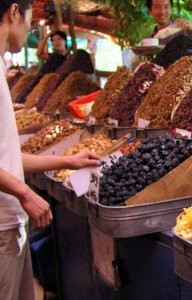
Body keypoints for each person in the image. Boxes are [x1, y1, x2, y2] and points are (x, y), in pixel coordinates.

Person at [0, 1, 100, 299]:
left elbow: (8, 158)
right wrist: (25, 192)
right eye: (30, 19)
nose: (31, 28)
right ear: (14, 12)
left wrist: (68, 160)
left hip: (10, 225)